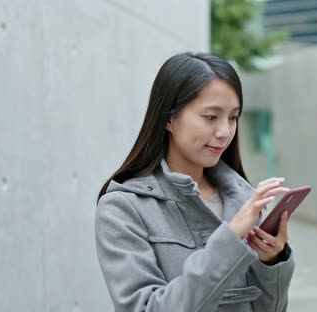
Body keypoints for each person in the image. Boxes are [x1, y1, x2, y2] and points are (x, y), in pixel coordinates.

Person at [95, 52, 295, 312]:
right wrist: (230, 240)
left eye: (233, 117)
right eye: (211, 117)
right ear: (169, 118)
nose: (225, 132)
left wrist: (272, 262)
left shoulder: (243, 198)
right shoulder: (123, 209)